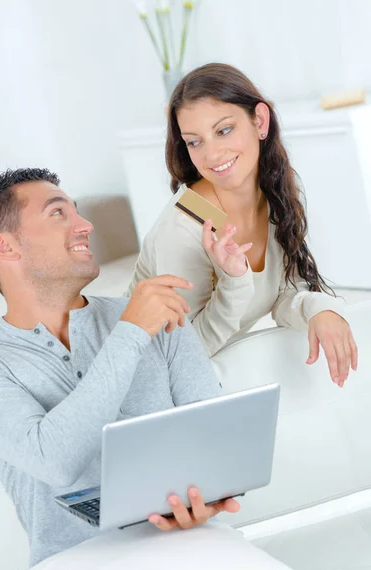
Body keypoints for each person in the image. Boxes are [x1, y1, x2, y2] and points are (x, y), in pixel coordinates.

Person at [0, 168, 240, 570]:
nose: (85, 224)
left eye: (77, 211)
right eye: (58, 213)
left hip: (190, 563)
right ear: (4, 245)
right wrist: (131, 333)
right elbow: (54, 460)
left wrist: (203, 500)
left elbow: (214, 448)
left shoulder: (162, 313)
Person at [126, 62, 358, 388]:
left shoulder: (272, 189)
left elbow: (283, 291)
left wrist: (320, 309)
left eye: (223, 130)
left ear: (259, 121)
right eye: (194, 142)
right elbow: (180, 356)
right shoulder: (182, 230)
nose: (212, 154)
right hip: (145, 385)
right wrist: (233, 285)